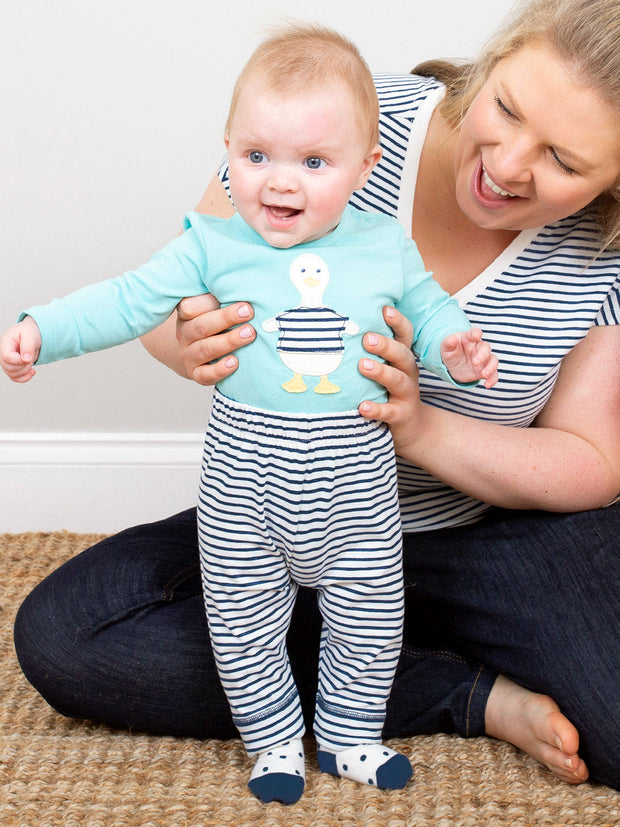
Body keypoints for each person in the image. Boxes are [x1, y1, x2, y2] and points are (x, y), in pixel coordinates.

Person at [9, 0, 620, 795]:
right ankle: (458, 688)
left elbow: (594, 460)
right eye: (504, 108)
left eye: (563, 162)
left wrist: (419, 424)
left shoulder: (602, 252)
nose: (506, 165)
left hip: (487, 538)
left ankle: (376, 645)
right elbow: (160, 298)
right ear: (492, 63)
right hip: (283, 506)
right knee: (68, 635)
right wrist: (187, 340)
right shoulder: (324, 119)